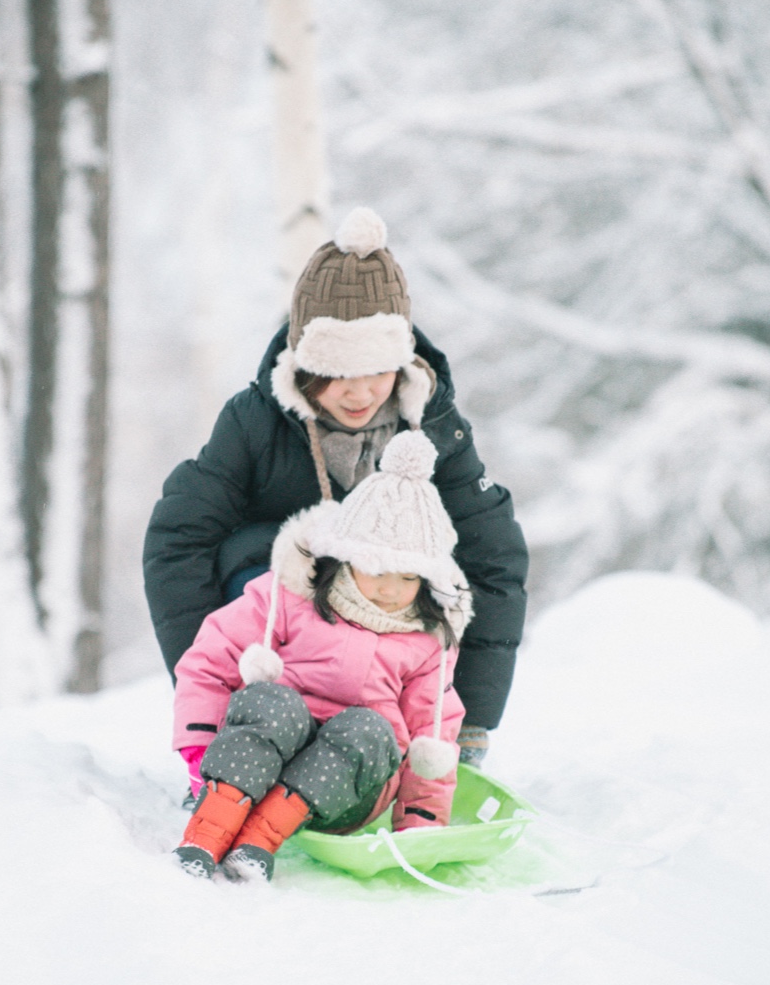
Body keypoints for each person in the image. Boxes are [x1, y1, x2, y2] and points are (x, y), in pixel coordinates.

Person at [143, 207, 527, 769]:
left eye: (376, 370)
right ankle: (261, 742)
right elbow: (178, 538)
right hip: (282, 643)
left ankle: (390, 750)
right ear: (304, 364)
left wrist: (471, 720)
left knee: (445, 574)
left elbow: (494, 555)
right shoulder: (255, 421)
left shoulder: (434, 428)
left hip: (392, 637)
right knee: (257, 559)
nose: (358, 392)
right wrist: (210, 691)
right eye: (336, 372)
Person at [170, 430, 469, 882]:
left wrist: (420, 826)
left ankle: (258, 843)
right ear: (344, 559)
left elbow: (434, 730)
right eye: (376, 570)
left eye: (409, 577)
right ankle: (205, 836)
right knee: (271, 701)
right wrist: (200, 748)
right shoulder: (291, 600)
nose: (391, 590)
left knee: (369, 727)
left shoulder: (426, 643)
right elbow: (210, 658)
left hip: (347, 791)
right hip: (259, 765)